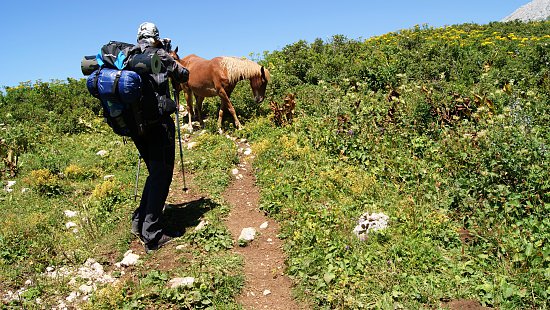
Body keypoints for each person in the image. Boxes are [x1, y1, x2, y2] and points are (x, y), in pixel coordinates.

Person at [130, 22, 189, 253]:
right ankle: (152, 234)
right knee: (162, 175)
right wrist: (169, 54)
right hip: (158, 126)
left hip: (137, 127)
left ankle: (139, 221)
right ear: (156, 36)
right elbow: (184, 74)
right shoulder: (160, 54)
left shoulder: (130, 57)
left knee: (154, 173)